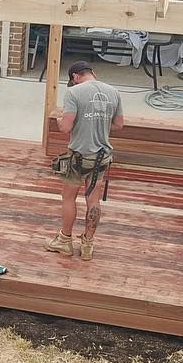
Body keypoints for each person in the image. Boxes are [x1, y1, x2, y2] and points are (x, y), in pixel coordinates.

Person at [46, 61, 123, 260]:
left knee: (69, 197)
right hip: (102, 157)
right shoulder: (113, 92)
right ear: (93, 73)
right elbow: (118, 124)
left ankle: (65, 241)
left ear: (75, 77)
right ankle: (87, 245)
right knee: (94, 200)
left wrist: (58, 120)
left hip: (79, 157)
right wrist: (99, 124)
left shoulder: (74, 93)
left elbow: (65, 127)